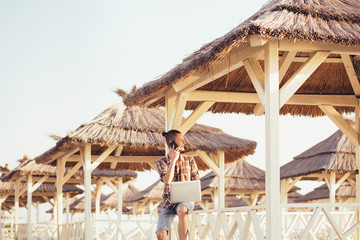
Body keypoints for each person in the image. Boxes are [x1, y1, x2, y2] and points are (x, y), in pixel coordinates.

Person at [156, 129, 200, 240]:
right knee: (160, 234)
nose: (184, 143)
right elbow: (167, 180)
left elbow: (196, 181)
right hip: (168, 203)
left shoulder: (190, 160)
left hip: (185, 202)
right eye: (181, 140)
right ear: (171, 142)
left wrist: (193, 196)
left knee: (181, 209)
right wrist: (174, 160)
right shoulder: (161, 163)